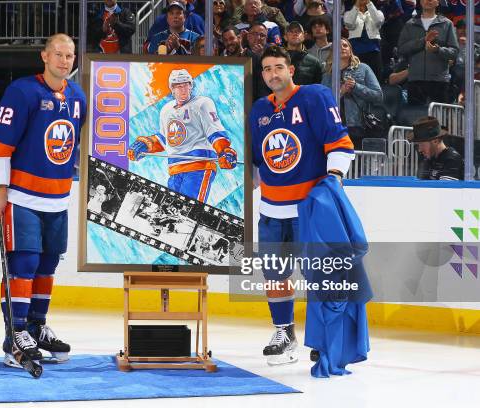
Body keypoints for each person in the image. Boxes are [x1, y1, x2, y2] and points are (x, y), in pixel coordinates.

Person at [0, 33, 87, 368]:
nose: (64, 60)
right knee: (23, 265)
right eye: (58, 54)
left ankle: (37, 327)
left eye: (69, 55)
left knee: (47, 265)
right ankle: (15, 333)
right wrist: (0, 188)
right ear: (44, 56)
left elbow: (73, 145)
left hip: (58, 197)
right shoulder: (23, 91)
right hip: (22, 196)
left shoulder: (78, 96)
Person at [250, 45, 354, 365]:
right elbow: (257, 162)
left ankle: (323, 339)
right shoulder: (258, 110)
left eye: (278, 67)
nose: (273, 74)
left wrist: (333, 179)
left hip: (307, 209)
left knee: (318, 275)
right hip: (270, 210)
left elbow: (340, 144)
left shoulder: (314, 97)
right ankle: (284, 333)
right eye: (267, 69)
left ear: (291, 70)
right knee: (275, 274)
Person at [127, 69, 237, 203]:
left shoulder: (202, 103)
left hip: (199, 166)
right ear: (172, 89)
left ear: (191, 85)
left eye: (186, 85)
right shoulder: (166, 110)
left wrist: (223, 150)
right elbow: (163, 140)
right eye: (178, 86)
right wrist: (145, 145)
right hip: (175, 170)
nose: (183, 89)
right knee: (172, 210)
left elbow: (215, 132)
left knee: (188, 212)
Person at [322, 38, 383, 149]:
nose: (342, 48)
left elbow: (378, 96)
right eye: (338, 46)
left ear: (350, 50)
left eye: (345, 46)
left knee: (358, 164)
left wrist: (356, 87)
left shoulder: (363, 68)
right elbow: (323, 103)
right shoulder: (327, 75)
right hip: (334, 127)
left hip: (358, 126)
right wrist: (341, 92)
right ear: (332, 52)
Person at [397, 0, 458, 105]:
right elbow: (401, 49)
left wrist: (437, 50)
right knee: (416, 119)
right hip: (415, 80)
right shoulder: (410, 24)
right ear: (420, 2)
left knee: (439, 120)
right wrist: (423, 41)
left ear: (438, 2)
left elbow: (454, 52)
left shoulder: (447, 24)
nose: (428, 0)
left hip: (439, 80)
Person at [408, 116, 464, 180]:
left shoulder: (452, 159)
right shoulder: (428, 159)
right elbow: (421, 185)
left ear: (435, 141)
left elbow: (445, 189)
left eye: (422, 144)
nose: (419, 150)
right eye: (418, 145)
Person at [343, 0, 385, 80]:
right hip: (356, 51)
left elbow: (378, 21)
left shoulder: (378, 12)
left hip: (373, 50)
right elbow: (349, 23)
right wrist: (357, 5)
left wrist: (369, 4)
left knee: (376, 77)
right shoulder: (349, 13)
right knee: (357, 77)